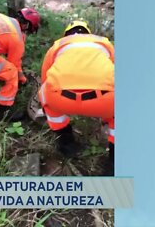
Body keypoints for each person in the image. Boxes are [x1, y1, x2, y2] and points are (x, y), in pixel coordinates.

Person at [38, 20, 115, 175]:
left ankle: (66, 143)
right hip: (104, 100)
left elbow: (45, 75)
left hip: (60, 98)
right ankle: (114, 160)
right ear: (88, 32)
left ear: (67, 33)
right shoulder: (104, 43)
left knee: (44, 93)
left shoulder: (58, 44)